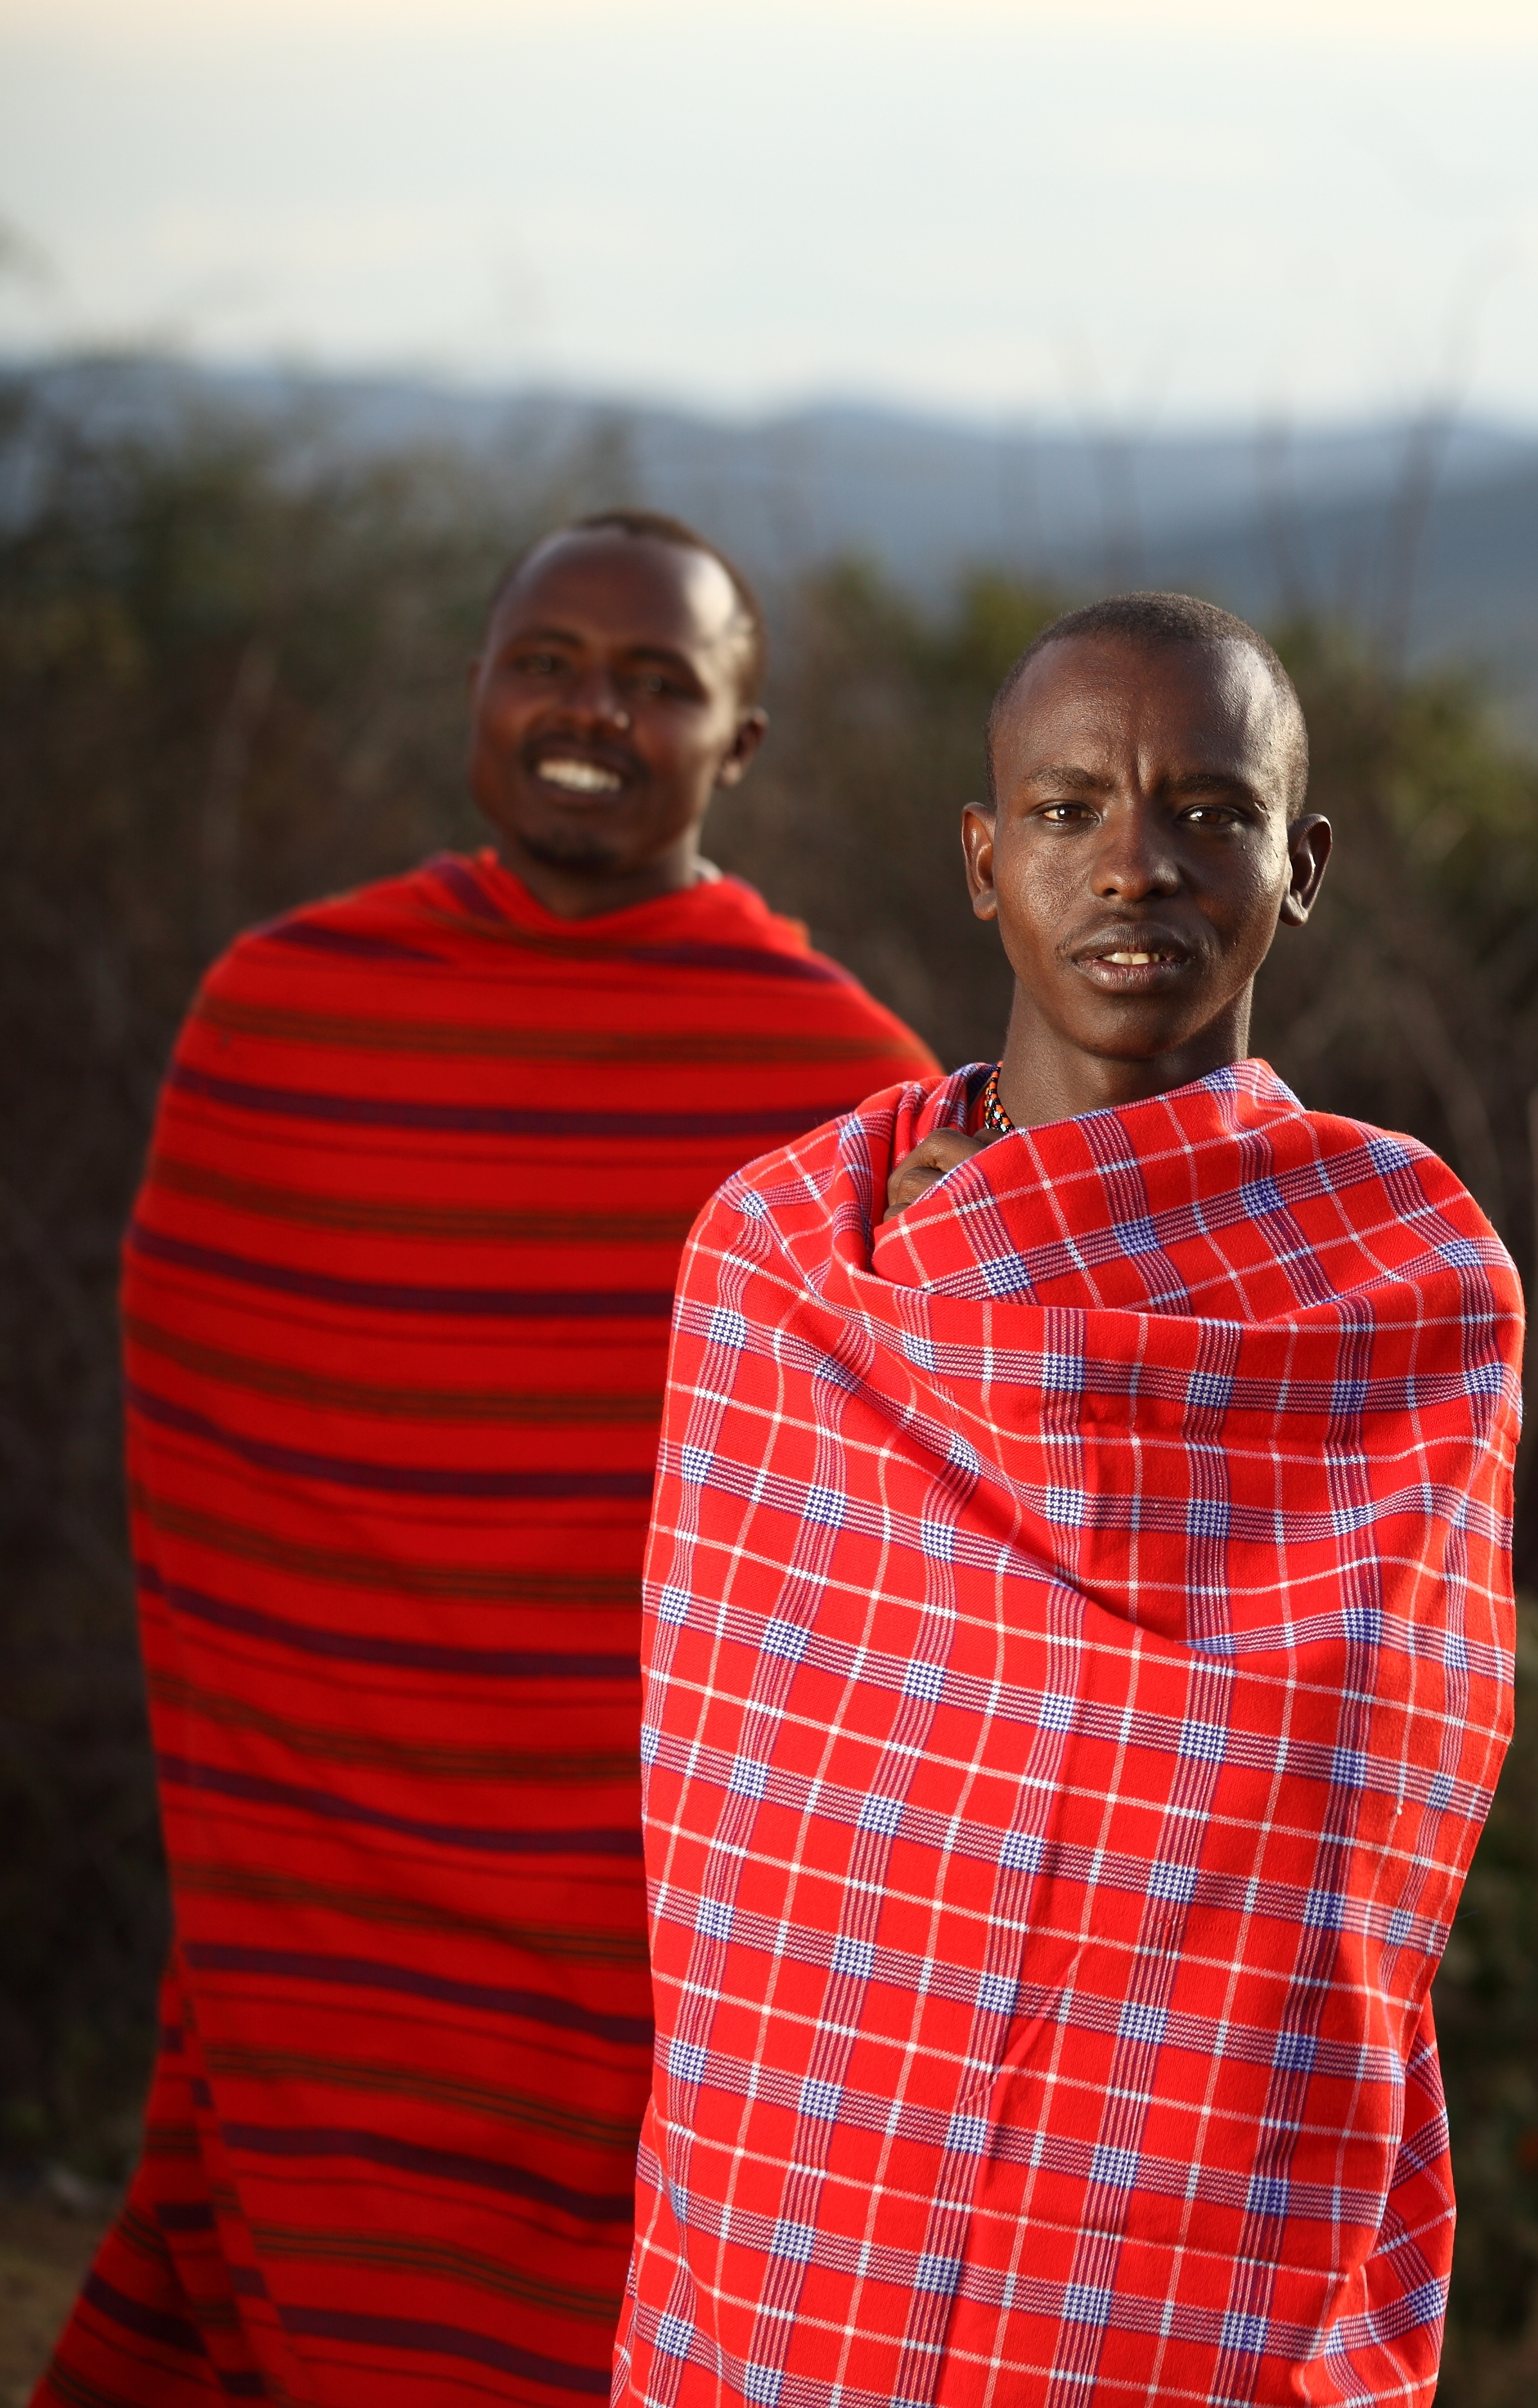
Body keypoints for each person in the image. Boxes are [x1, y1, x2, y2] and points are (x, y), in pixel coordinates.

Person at [44, 513, 940, 2407]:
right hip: (326, 1902)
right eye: (547, 662)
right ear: (478, 692)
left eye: (659, 681)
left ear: (743, 745)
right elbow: (218, 1494)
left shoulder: (842, 1097)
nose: (590, 712)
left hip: (647, 1942)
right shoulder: (278, 1024)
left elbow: (898, 1556)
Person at [616, 594, 1520, 2405]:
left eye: (1208, 810)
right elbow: (738, 1827)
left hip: (1184, 2241)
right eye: (1068, 810)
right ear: (982, 857)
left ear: (1302, 860)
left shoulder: (1400, 1280)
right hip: (801, 2218)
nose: (1137, 869)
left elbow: (1341, 1812)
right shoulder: (792, 1258)